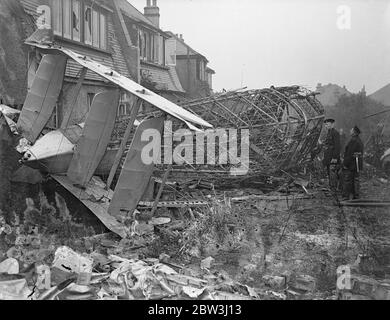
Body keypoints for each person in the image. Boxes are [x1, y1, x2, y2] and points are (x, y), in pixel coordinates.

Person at [342, 126, 364, 200]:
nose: (350, 131)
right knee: (355, 180)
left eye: (351, 130)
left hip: (352, 164)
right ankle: (355, 196)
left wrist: (345, 164)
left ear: (354, 133)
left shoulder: (354, 141)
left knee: (348, 180)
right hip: (355, 164)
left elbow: (350, 154)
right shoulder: (357, 140)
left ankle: (346, 196)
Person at [322, 118, 341, 189]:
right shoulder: (329, 133)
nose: (326, 126)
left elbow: (337, 146)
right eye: (325, 125)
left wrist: (335, 157)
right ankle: (332, 187)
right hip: (328, 156)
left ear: (332, 124)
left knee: (333, 173)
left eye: (327, 124)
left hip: (332, 157)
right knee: (329, 173)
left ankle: (334, 188)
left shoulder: (335, 133)